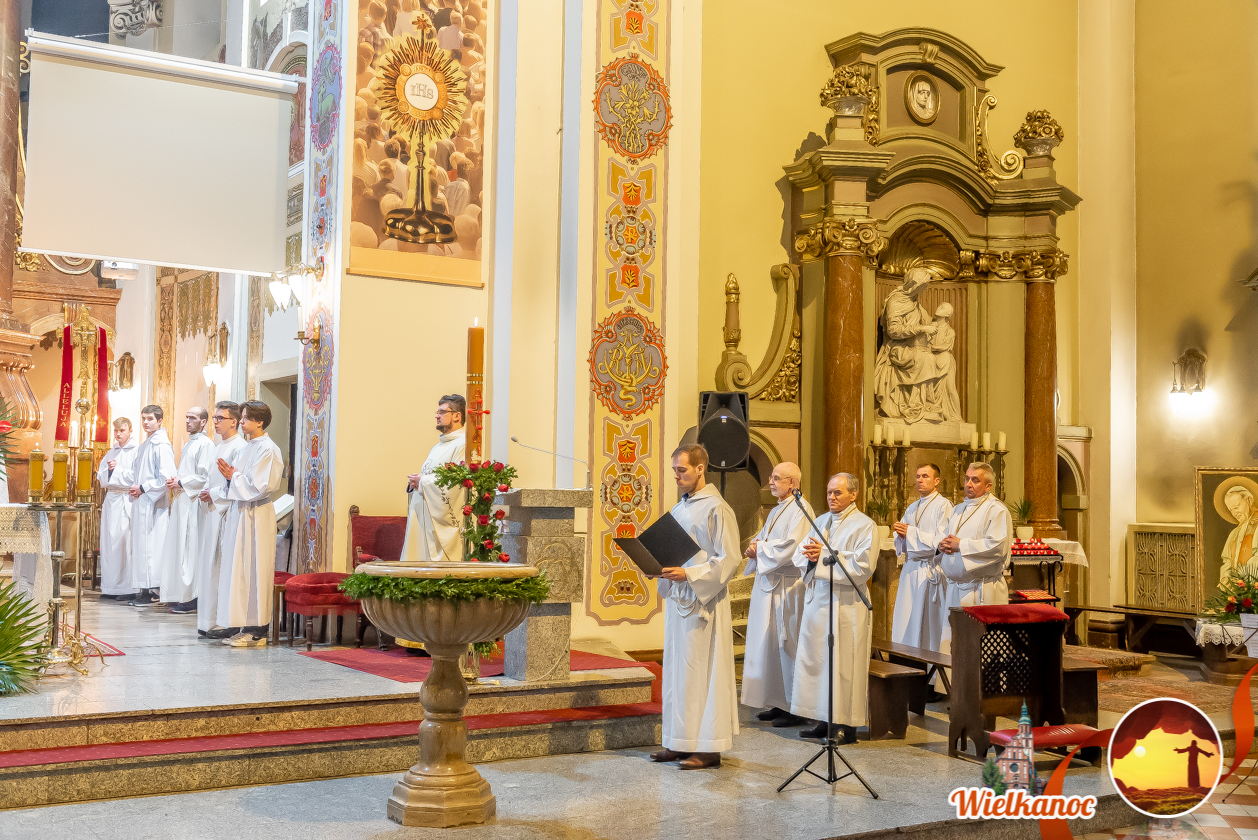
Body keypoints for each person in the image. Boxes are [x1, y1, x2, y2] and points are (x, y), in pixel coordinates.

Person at [650, 443, 740, 770]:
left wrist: (689, 573)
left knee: (703, 673)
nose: (677, 476)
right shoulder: (679, 509)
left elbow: (729, 559)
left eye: (682, 470)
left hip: (705, 604)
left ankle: (708, 748)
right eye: (674, 470)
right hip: (679, 601)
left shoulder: (717, 508)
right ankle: (679, 742)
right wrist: (655, 566)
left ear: (700, 469)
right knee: (678, 672)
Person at [790, 473, 876, 744]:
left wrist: (823, 556)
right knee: (818, 661)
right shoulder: (820, 521)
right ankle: (822, 719)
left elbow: (863, 566)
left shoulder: (865, 525)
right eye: (829, 492)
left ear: (854, 494)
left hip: (846, 604)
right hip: (819, 601)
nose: (831, 497)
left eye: (838, 492)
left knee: (843, 664)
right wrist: (811, 558)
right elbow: (800, 553)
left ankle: (845, 726)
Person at [741, 462, 812, 728]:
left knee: (787, 644)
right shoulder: (777, 509)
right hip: (770, 585)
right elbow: (763, 538)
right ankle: (778, 701)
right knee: (769, 645)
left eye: (776, 478)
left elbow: (791, 547)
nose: (770, 482)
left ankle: (795, 707)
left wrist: (760, 549)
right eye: (771, 477)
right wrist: (754, 547)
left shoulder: (801, 509)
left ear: (792, 482)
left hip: (787, 588)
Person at [217, 401, 285, 647]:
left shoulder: (269, 449)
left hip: (257, 514)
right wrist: (231, 478)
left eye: (246, 418)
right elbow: (239, 479)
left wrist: (233, 476)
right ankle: (242, 625)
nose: (242, 422)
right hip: (241, 513)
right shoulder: (248, 448)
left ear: (260, 422)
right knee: (240, 569)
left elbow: (260, 486)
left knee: (255, 568)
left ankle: (258, 630)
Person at [936, 462, 1012, 659]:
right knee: (953, 645)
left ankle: (981, 680)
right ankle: (950, 679)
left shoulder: (997, 510)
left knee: (980, 648)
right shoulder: (958, 509)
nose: (968, 484)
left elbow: (997, 547)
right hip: (954, 589)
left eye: (975, 480)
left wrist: (961, 545)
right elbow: (946, 536)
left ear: (988, 486)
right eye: (967, 478)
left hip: (981, 590)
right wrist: (942, 545)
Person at [195, 402, 248, 639]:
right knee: (210, 568)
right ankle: (209, 620)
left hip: (227, 514)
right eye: (215, 418)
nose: (215, 422)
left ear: (234, 421)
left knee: (222, 568)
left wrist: (214, 493)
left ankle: (225, 622)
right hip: (213, 513)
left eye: (220, 418)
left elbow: (236, 482)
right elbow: (212, 477)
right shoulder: (219, 446)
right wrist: (207, 490)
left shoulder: (240, 447)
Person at [400, 395, 468, 562]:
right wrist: (416, 483)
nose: (437, 416)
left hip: (440, 526)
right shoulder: (438, 446)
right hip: (425, 520)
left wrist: (423, 482)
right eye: (437, 412)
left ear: (457, 416)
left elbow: (456, 484)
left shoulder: (463, 444)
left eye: (442, 412)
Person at [892, 463, 950, 650]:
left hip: (929, 569)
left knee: (928, 622)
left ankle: (930, 663)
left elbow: (940, 543)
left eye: (925, 476)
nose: (920, 480)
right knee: (906, 618)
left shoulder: (943, 506)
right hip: (910, 569)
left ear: (936, 481)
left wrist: (910, 533)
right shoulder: (912, 507)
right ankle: (906, 659)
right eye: (918, 476)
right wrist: (901, 535)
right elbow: (902, 541)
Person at [161, 407, 215, 612]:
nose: (187, 421)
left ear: (203, 422)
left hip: (194, 503)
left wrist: (181, 482)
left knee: (191, 550)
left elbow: (204, 476)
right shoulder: (190, 444)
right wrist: (177, 481)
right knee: (180, 549)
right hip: (183, 501)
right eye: (186, 417)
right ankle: (180, 593)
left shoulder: (206, 444)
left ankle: (193, 597)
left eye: (193, 418)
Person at [128, 405, 177, 605]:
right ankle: (144, 588)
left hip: (155, 507)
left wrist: (143, 487)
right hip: (142, 503)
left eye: (150, 418)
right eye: (143, 418)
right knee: (142, 547)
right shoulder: (145, 445)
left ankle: (153, 589)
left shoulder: (161, 445)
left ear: (160, 421)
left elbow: (167, 478)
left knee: (152, 547)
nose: (146, 422)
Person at [97, 418, 139, 600]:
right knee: (109, 544)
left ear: (130, 431)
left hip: (125, 499)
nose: (118, 434)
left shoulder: (136, 451)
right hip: (111, 500)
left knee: (124, 543)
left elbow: (137, 476)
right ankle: (110, 587)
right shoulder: (111, 451)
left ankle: (127, 589)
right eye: (116, 431)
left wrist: (117, 470)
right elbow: (101, 477)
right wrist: (109, 471)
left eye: (122, 430)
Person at [1220, 486, 1258, 583]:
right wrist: (1226, 582)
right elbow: (1228, 562)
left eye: (1236, 507)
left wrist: (1245, 580)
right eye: (1231, 510)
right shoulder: (1234, 534)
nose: (1234, 513)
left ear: (1249, 500)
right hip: (1237, 588)